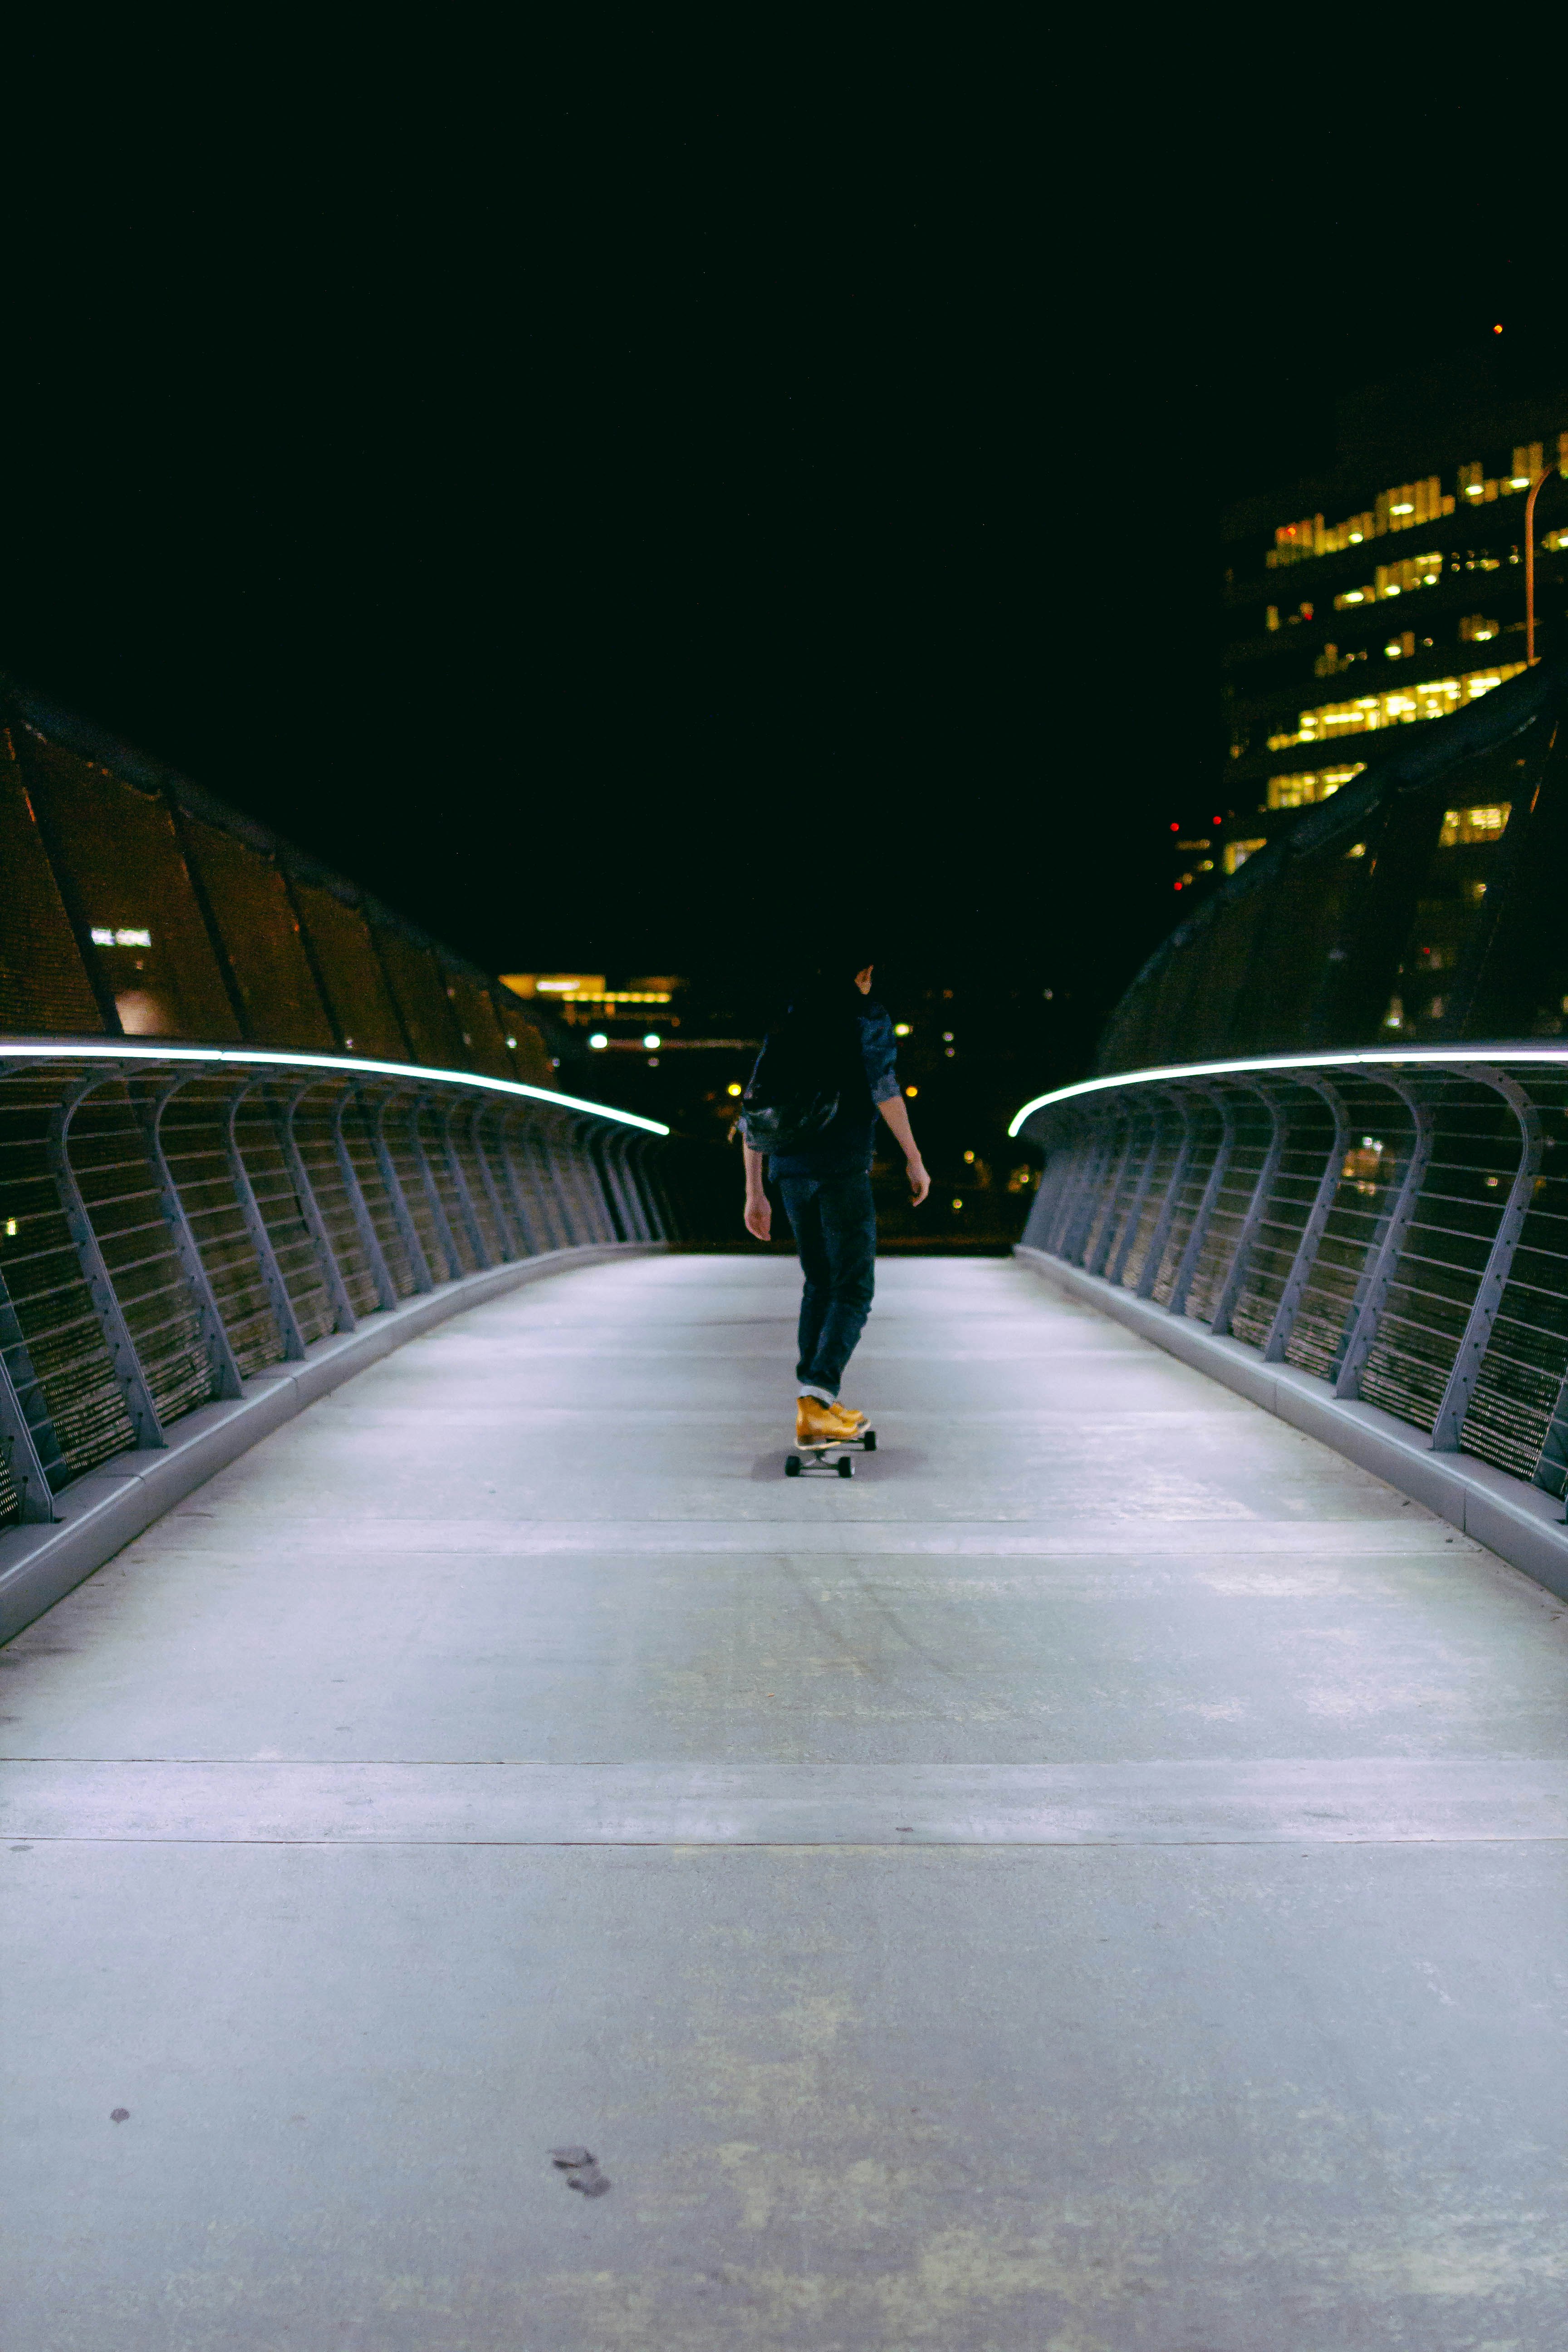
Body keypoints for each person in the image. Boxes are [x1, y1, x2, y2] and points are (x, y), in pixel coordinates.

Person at [742, 957, 930, 1447]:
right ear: (863, 973)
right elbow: (884, 1087)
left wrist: (754, 1190)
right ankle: (819, 1395)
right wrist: (914, 1159)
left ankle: (815, 1401)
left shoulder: (790, 1017)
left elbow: (755, 1104)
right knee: (853, 1287)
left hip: (790, 1171)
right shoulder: (865, 1015)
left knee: (820, 1282)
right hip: (841, 1167)